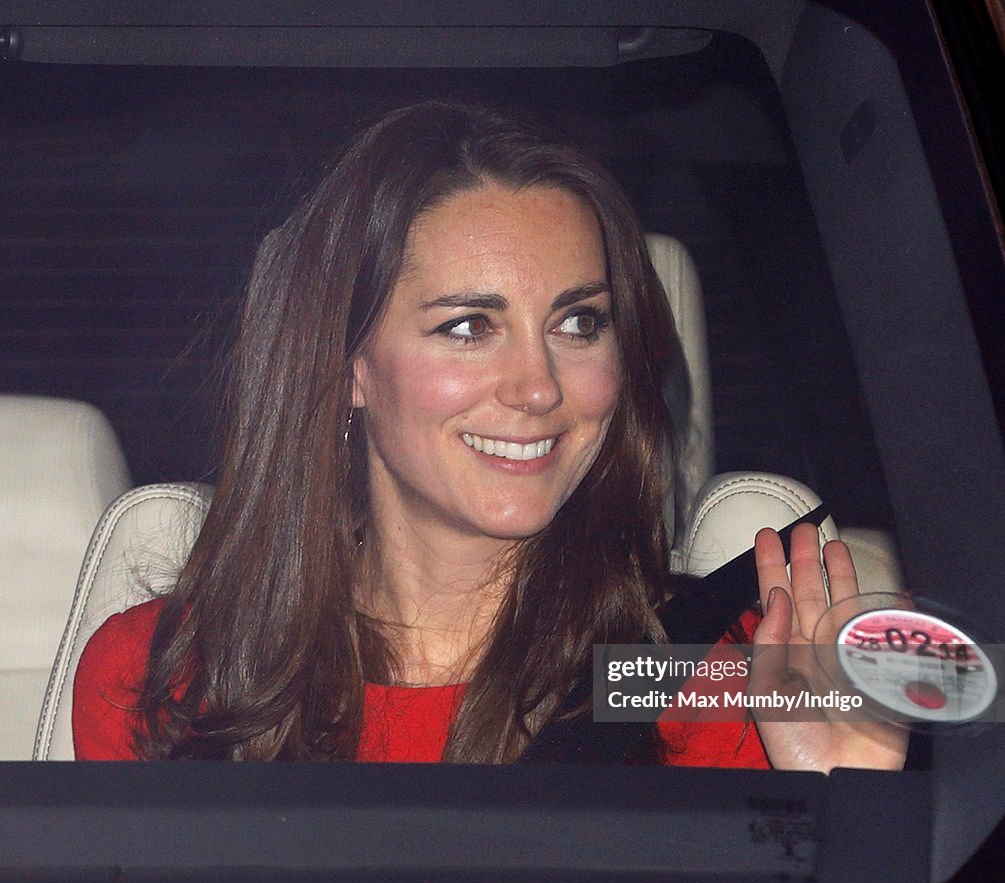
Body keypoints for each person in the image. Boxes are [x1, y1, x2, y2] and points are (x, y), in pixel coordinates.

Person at [72, 100, 906, 771]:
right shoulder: (162, 677)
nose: (539, 387)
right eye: (470, 326)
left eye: (579, 323)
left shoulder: (722, 679)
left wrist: (849, 806)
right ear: (345, 366)